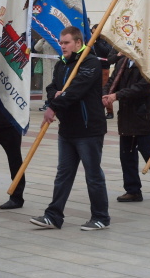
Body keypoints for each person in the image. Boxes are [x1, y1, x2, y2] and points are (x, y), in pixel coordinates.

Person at [30, 26, 110, 231]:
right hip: (67, 129)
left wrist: (55, 105)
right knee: (63, 174)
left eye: (66, 43)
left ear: (78, 42)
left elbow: (76, 90)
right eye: (61, 42)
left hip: (88, 129)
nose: (62, 46)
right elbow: (51, 87)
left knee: (93, 175)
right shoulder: (62, 64)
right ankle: (53, 215)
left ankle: (101, 217)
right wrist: (54, 96)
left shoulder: (90, 62)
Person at [103, 54, 150, 202]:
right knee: (126, 154)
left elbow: (143, 88)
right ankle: (133, 190)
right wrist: (105, 94)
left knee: (147, 150)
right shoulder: (122, 62)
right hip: (126, 115)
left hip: (144, 115)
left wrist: (117, 95)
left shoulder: (148, 62)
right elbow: (112, 81)